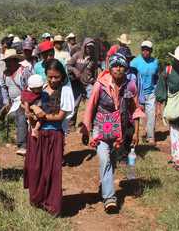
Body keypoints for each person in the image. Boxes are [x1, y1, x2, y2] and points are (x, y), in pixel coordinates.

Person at [82, 53, 144, 213]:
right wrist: (86, 130)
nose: (118, 68)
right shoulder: (100, 85)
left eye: (121, 66)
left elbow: (134, 109)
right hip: (100, 127)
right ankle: (110, 198)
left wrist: (136, 132)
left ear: (126, 68)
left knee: (112, 160)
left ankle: (105, 184)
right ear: (110, 67)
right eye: (115, 65)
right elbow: (90, 107)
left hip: (120, 130)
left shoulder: (130, 86)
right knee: (104, 158)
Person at [24, 59, 75, 216]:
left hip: (54, 134)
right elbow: (25, 100)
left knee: (52, 170)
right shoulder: (40, 87)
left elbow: (60, 116)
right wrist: (31, 108)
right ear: (45, 75)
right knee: (35, 167)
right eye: (50, 76)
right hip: (36, 134)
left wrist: (42, 115)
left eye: (57, 77)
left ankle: (52, 204)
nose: (53, 80)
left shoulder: (65, 91)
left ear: (62, 76)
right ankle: (37, 199)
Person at [1, 49, 32, 156]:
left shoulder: (24, 71)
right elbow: (3, 87)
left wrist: (25, 101)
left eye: (9, 61)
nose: (7, 64)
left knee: (21, 116)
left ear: (15, 60)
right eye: (5, 61)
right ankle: (9, 138)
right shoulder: (5, 74)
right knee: (4, 116)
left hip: (25, 99)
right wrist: (6, 101)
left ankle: (22, 144)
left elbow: (30, 87)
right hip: (13, 101)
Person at [130, 41, 159, 145]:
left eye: (147, 50)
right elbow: (131, 78)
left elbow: (156, 77)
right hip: (138, 94)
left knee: (151, 114)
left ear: (151, 51)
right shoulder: (135, 62)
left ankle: (150, 137)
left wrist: (156, 89)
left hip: (151, 92)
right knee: (137, 115)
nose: (145, 51)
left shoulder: (155, 62)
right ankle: (134, 135)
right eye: (143, 49)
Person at [67, 38, 98, 126]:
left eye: (91, 47)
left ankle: (91, 124)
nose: (89, 49)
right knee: (75, 105)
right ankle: (71, 124)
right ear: (84, 46)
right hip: (77, 83)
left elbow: (95, 72)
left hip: (88, 84)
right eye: (88, 47)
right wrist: (74, 70)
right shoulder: (77, 55)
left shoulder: (93, 58)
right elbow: (68, 65)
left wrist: (94, 81)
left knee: (92, 104)